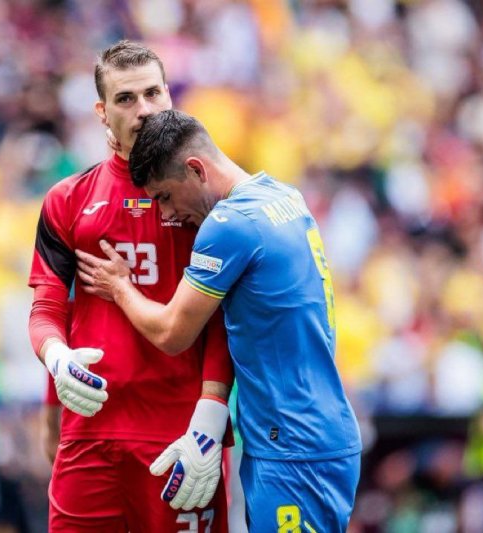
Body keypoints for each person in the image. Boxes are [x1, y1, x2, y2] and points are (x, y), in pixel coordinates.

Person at [76, 109, 362, 532]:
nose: (167, 214)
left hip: (294, 444)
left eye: (165, 197)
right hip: (313, 431)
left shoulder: (230, 225)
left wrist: (120, 286)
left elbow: (173, 333)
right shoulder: (283, 197)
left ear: (195, 169)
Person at [28, 41, 235, 531]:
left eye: (154, 93)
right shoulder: (68, 200)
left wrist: (209, 420)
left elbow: (225, 321)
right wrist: (57, 363)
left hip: (179, 436)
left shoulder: (206, 196)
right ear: (102, 112)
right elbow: (46, 309)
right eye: (126, 99)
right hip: (91, 432)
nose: (143, 110)